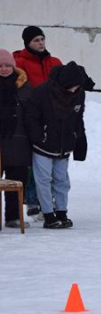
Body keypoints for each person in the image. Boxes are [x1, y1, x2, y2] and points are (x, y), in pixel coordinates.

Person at [24, 61, 88, 229]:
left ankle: (61, 211)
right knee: (43, 180)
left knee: (62, 180)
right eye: (72, 87)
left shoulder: (79, 94)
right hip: (43, 145)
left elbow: (78, 118)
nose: (74, 90)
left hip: (64, 145)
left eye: (77, 87)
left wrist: (78, 138)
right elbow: (31, 117)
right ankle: (48, 214)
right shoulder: (43, 92)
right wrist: (39, 137)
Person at [13, 26, 63, 220]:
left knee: (50, 163)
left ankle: (47, 201)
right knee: (32, 162)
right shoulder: (19, 63)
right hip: (30, 117)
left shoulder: (54, 62)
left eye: (42, 39)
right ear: (27, 43)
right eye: (36, 40)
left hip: (53, 117)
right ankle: (34, 201)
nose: (41, 43)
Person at [0, 49, 32, 229]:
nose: (4, 69)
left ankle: (13, 217)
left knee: (17, 182)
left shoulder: (25, 86)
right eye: (0, 66)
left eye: (7, 65)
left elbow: (33, 115)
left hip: (19, 141)